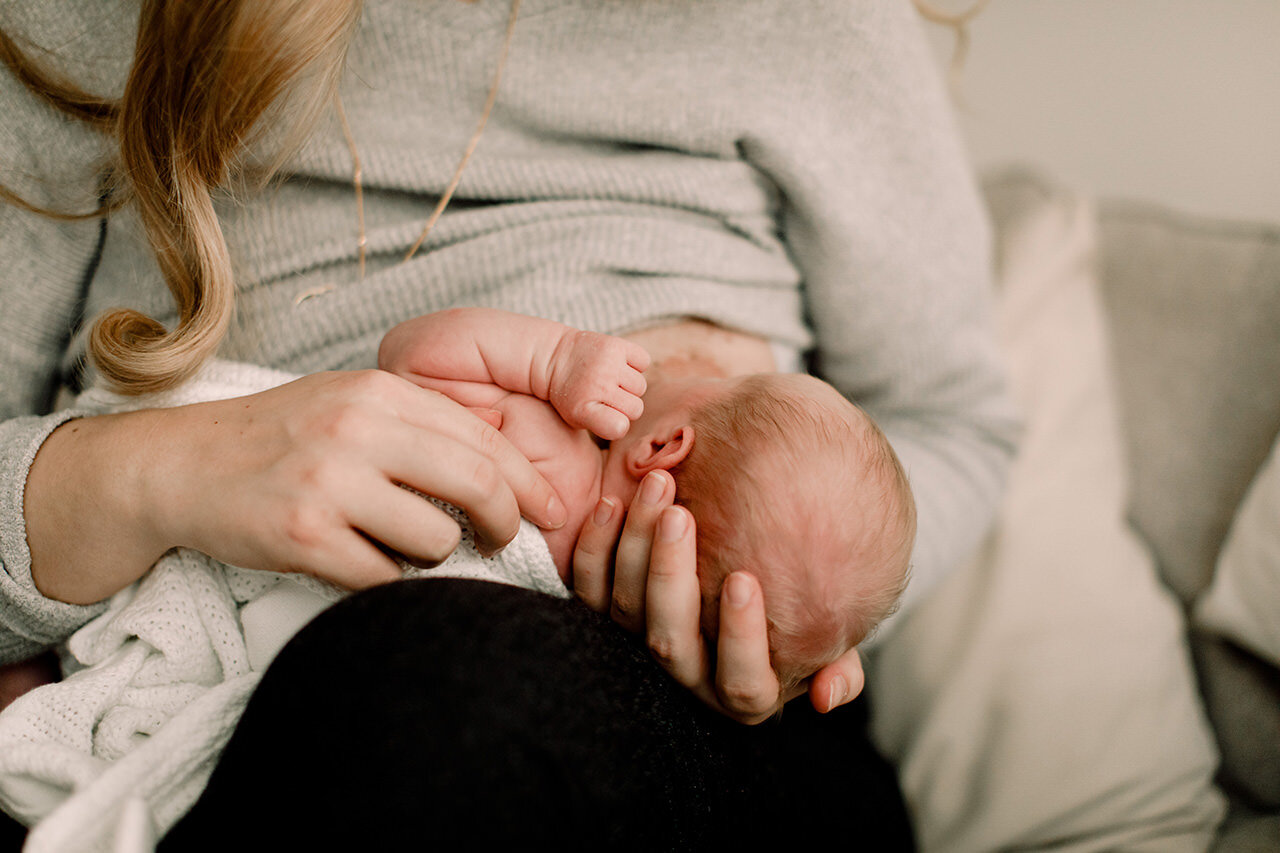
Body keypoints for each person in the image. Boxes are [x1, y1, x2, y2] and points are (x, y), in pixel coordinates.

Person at [0, 0, 1017, 848]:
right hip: (231, 601)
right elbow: (425, 357)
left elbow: (957, 421)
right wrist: (148, 476)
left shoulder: (812, 21)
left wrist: (775, 603)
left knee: (449, 707)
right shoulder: (92, 18)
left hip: (689, 733)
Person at [379, 306, 915, 690]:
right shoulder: (606, 651)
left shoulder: (551, 458)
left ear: (661, 447)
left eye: (737, 382)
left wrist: (555, 358)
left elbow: (408, 358)